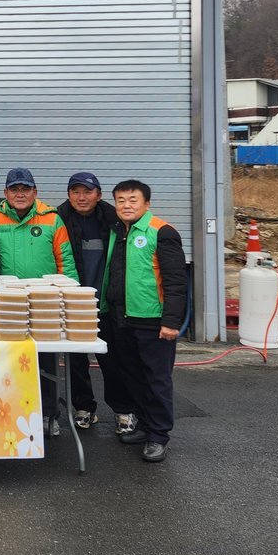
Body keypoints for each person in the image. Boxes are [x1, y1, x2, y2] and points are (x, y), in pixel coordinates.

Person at [98, 179, 188, 464]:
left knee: (156, 379)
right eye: (120, 200)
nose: (126, 205)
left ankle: (158, 436)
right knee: (132, 376)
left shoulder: (162, 232)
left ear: (146, 203)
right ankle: (145, 425)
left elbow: (176, 281)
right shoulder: (117, 232)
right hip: (120, 317)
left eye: (133, 200)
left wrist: (171, 321)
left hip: (152, 319)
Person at [0, 168, 80, 437]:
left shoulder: (52, 219)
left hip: (44, 302)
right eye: (14, 189)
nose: (20, 194)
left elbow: (65, 260)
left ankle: (49, 414)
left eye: (25, 189)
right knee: (8, 359)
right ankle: (9, 413)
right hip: (6, 302)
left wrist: (70, 298)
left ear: (35, 192)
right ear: (5, 193)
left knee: (47, 360)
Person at [55, 171, 120, 431]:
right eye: (76, 192)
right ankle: (84, 408)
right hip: (73, 305)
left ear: (99, 195)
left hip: (106, 304)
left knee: (113, 361)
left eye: (87, 192)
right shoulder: (59, 218)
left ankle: (122, 410)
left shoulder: (115, 219)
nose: (81, 197)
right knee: (75, 362)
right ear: (69, 195)